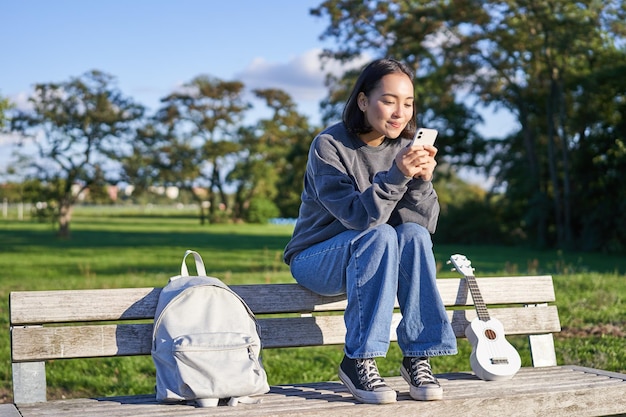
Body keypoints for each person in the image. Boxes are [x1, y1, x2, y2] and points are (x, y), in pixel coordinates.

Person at [283, 58, 457, 405]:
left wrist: (421, 181)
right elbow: (357, 218)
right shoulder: (329, 146)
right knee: (379, 235)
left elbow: (423, 227)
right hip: (317, 258)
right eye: (388, 100)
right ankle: (358, 360)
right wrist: (395, 176)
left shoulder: (403, 148)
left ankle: (417, 356)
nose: (400, 112)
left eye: (408, 103)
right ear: (363, 101)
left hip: (376, 253)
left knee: (413, 235)